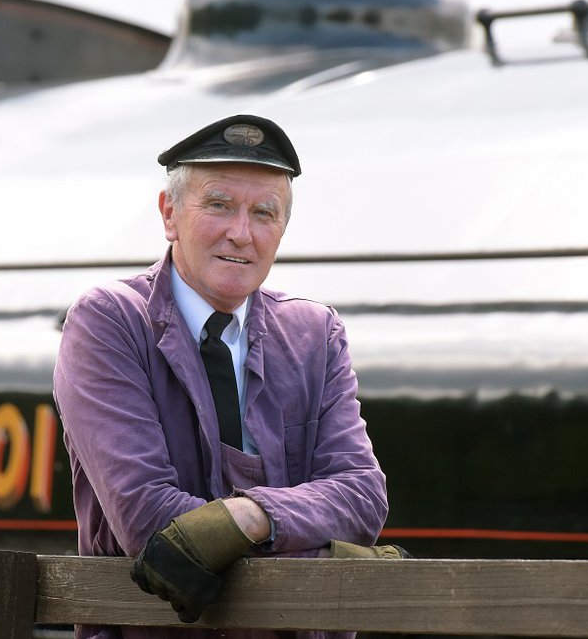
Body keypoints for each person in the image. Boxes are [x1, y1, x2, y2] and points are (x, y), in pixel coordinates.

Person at [53, 114, 401, 639]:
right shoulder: (109, 320)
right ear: (169, 214)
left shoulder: (315, 332)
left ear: (282, 230)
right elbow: (152, 523)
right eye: (218, 205)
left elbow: (362, 496)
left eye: (264, 213)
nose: (241, 233)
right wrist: (334, 555)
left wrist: (245, 519)